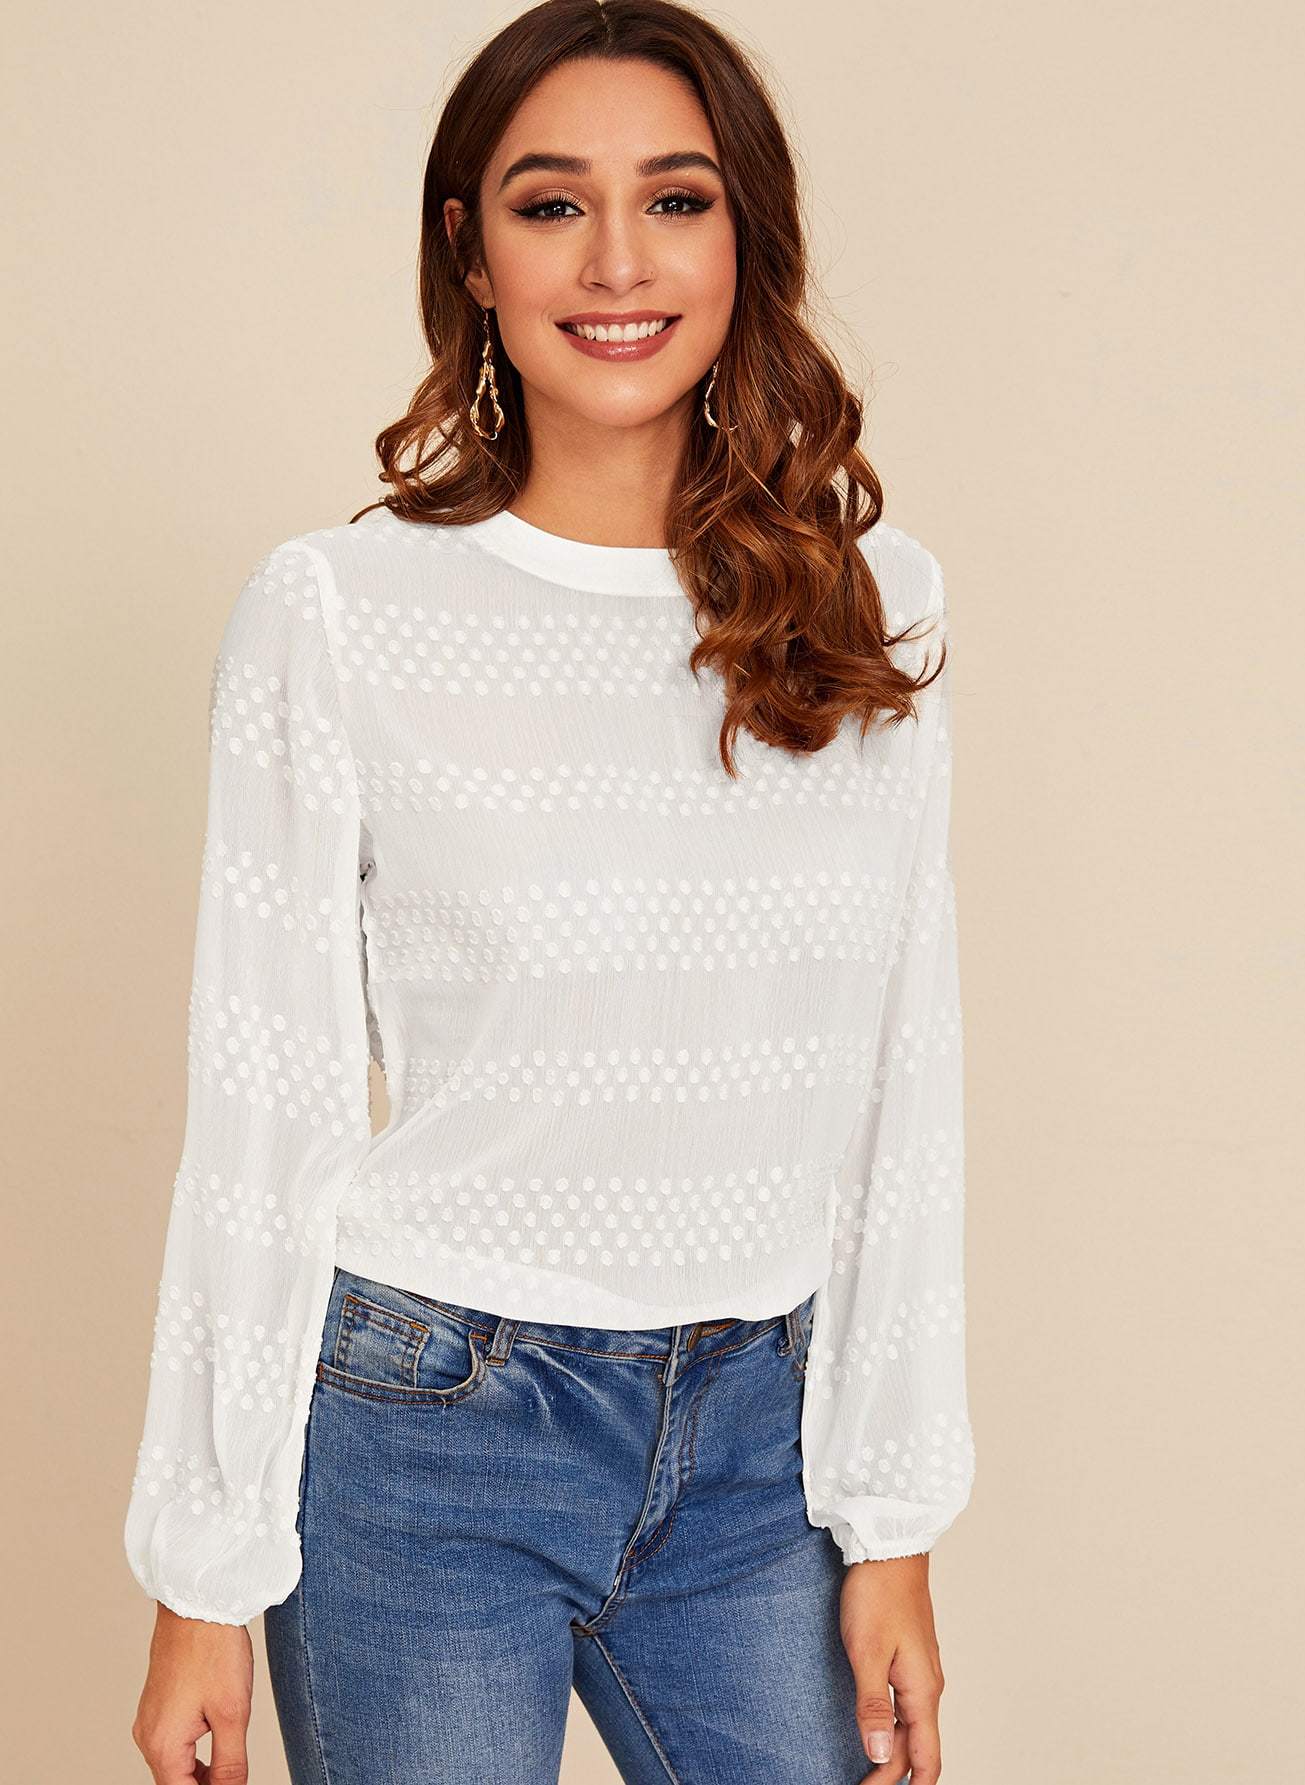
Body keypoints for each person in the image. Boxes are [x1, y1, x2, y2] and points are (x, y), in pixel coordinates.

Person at [126, 3, 974, 1781]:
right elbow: (266, 1097)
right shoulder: (337, 614)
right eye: (550, 203)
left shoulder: (870, 601)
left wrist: (890, 1514)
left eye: (674, 199)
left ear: (743, 234)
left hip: (763, 1444)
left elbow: (905, 1071)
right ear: (471, 248)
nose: (616, 262)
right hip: (422, 1430)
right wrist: (204, 1569)